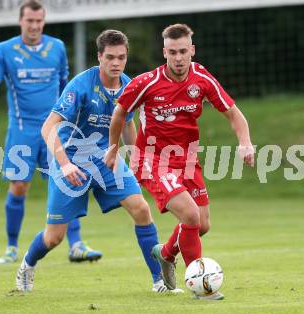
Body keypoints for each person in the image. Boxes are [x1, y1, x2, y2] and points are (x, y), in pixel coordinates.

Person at [15, 29, 181, 294]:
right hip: (71, 161)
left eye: (121, 57)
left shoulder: (128, 85)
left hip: (107, 160)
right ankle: (27, 264)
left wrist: (138, 160)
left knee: (141, 209)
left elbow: (127, 125)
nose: (116, 63)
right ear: (99, 57)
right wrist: (65, 164)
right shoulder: (80, 85)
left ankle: (159, 282)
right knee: (54, 237)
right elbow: (48, 127)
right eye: (110, 57)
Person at [105, 23, 255, 300]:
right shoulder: (147, 82)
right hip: (151, 159)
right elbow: (119, 113)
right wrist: (113, 149)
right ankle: (202, 288)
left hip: (187, 160)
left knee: (202, 224)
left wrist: (245, 142)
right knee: (190, 215)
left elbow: (234, 113)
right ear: (164, 52)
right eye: (172, 52)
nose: (178, 58)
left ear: (192, 51)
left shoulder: (202, 79)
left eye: (183, 51)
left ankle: (165, 253)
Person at [0, 0, 102, 264]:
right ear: (20, 21)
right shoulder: (5, 50)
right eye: (29, 21)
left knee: (68, 181)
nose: (34, 26)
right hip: (22, 130)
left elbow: (66, 86)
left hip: (55, 130)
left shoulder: (57, 47)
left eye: (38, 21)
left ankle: (76, 245)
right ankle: (11, 247)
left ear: (43, 21)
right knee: (19, 186)